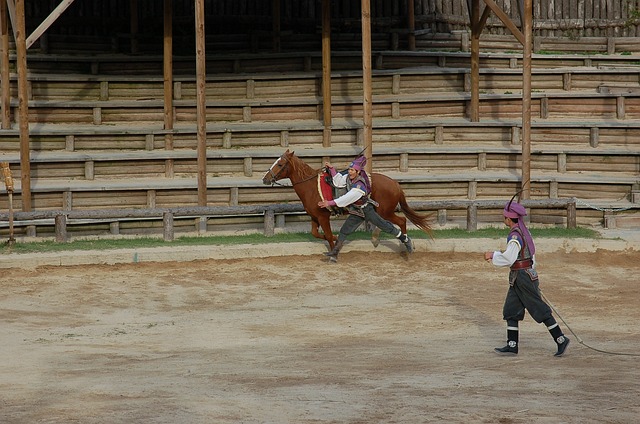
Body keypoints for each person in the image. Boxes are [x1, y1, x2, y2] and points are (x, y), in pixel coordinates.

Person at [483, 199, 570, 357]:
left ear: (509, 219)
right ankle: (512, 345)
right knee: (511, 310)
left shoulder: (515, 236)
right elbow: (531, 255)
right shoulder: (524, 232)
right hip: (520, 277)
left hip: (523, 277)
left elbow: (509, 258)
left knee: (539, 309)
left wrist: (493, 255)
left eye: (505, 217)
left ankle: (561, 339)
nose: (504, 220)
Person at [317, 156, 413, 262]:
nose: (349, 172)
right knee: (344, 231)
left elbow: (346, 199)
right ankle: (334, 253)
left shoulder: (359, 187)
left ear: (357, 172)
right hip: (356, 211)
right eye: (349, 169)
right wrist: (332, 169)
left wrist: (329, 202)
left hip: (366, 210)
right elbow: (339, 181)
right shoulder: (349, 178)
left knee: (386, 226)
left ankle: (405, 239)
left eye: (352, 170)